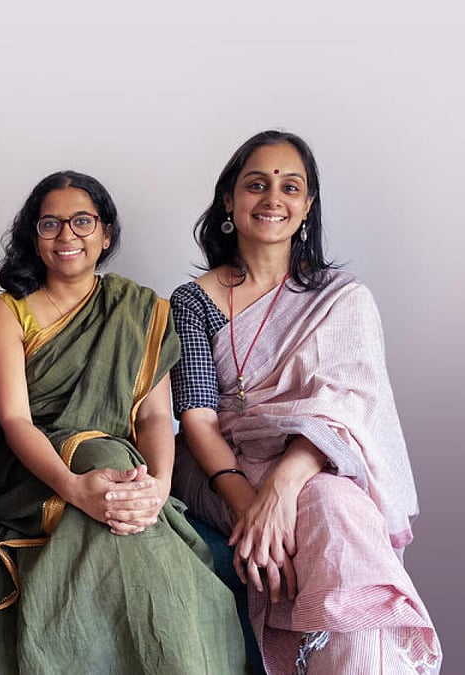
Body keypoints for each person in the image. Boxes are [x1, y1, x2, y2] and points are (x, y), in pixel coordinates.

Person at [169, 130, 442, 673]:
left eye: (290, 186)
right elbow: (198, 417)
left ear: (307, 206)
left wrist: (283, 488)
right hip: (218, 465)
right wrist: (251, 506)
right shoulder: (192, 301)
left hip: (313, 458)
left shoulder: (343, 299)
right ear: (229, 200)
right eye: (256, 185)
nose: (273, 199)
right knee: (326, 507)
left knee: (332, 505)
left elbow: (347, 406)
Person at [0, 171, 246, 674]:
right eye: (50, 223)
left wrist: (157, 486)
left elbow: (157, 413)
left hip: (123, 466)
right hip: (31, 470)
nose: (66, 235)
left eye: (82, 221)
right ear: (34, 234)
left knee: (114, 467)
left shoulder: (142, 309)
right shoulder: (7, 310)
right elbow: (14, 420)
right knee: (103, 458)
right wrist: (72, 486)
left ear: (106, 233)